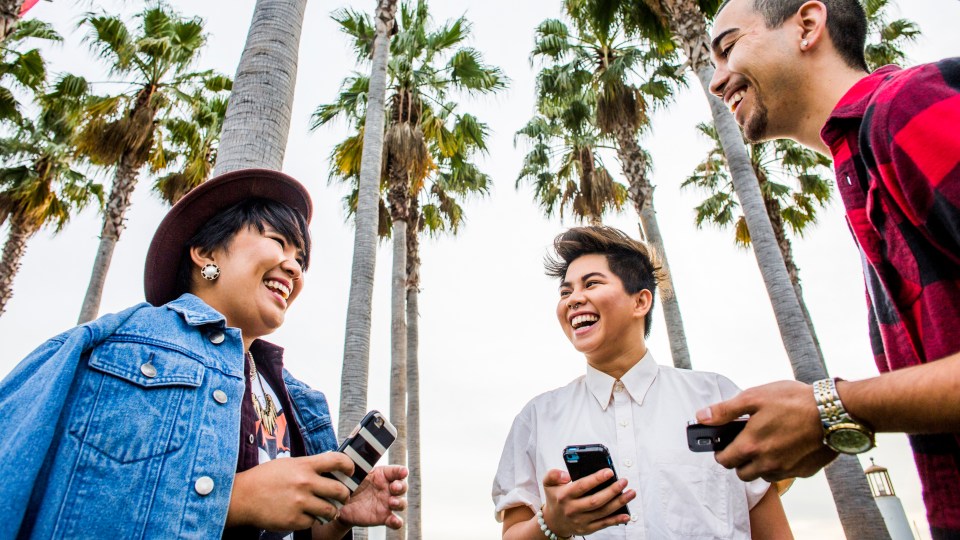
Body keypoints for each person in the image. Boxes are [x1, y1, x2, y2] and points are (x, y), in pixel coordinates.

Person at [0, 168, 407, 539]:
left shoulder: (298, 399)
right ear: (206, 253)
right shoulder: (111, 345)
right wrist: (236, 500)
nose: (295, 268)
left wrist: (332, 519)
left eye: (300, 259)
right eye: (278, 242)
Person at [704, 1, 960, 537]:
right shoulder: (864, 168)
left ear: (807, 25)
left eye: (727, 48)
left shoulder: (906, 107)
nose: (716, 80)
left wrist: (830, 409)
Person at [491, 226, 792, 539]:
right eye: (565, 292)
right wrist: (552, 523)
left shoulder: (717, 397)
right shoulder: (536, 419)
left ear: (640, 302)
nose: (574, 299)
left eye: (591, 283)